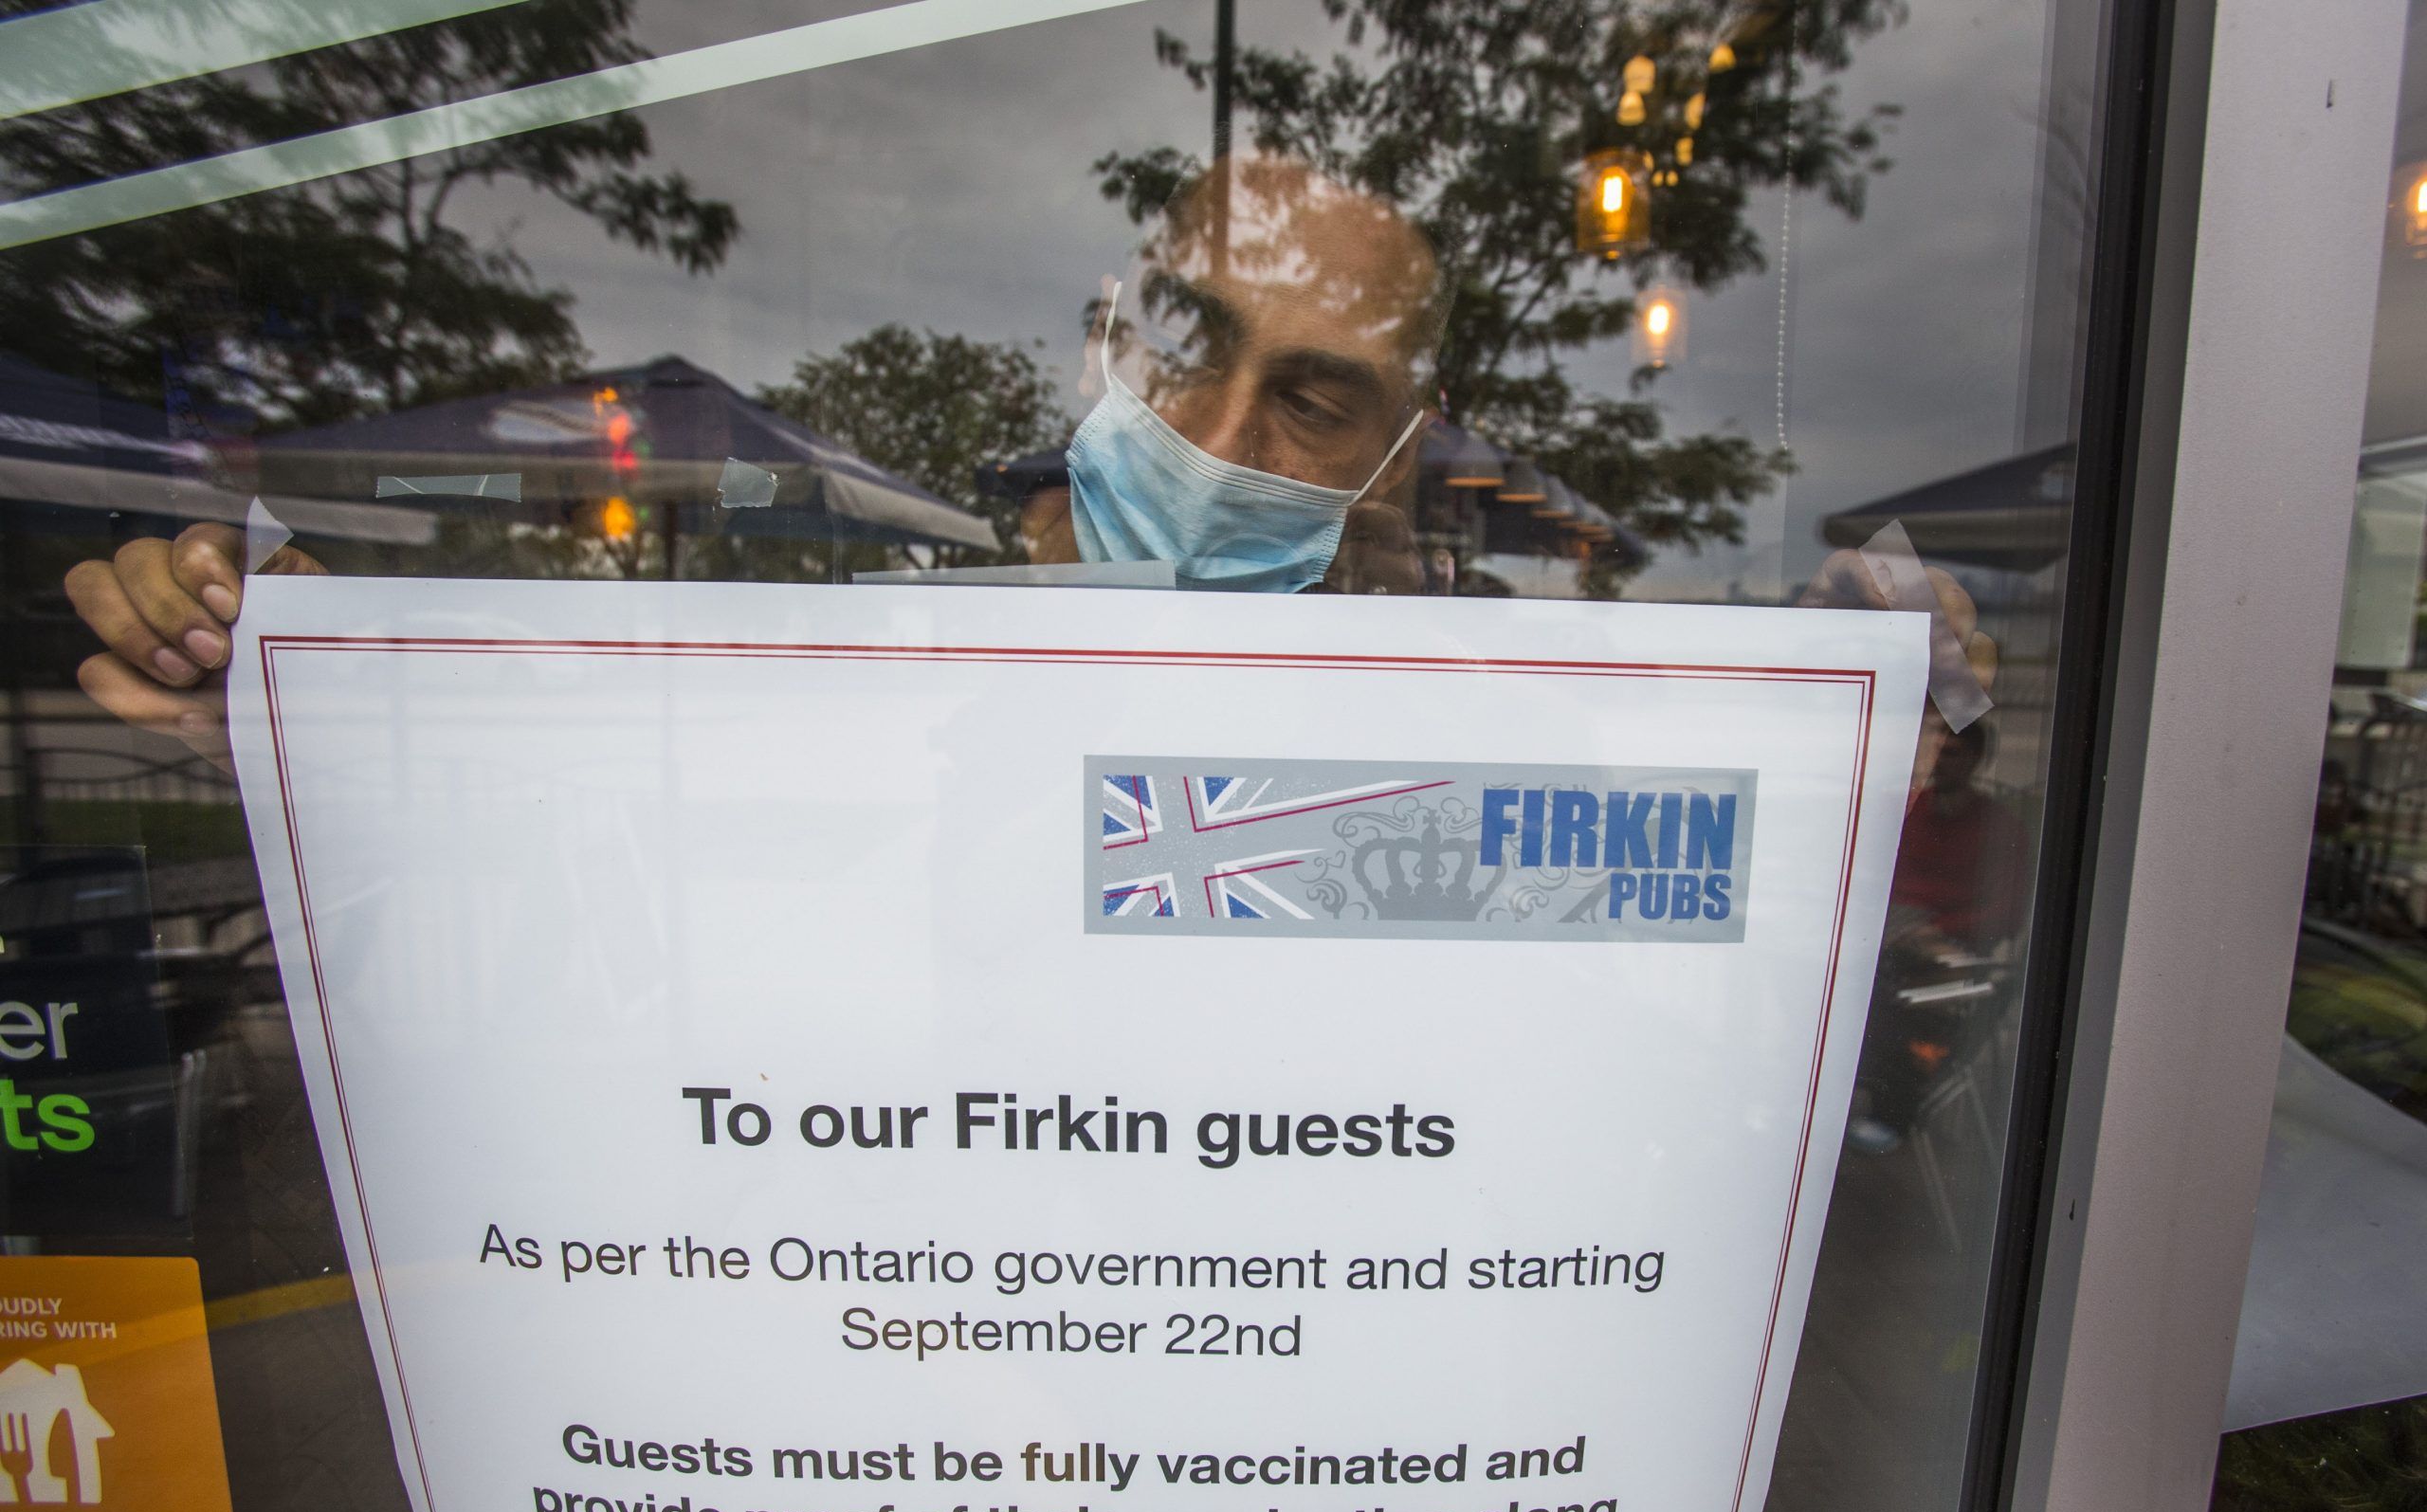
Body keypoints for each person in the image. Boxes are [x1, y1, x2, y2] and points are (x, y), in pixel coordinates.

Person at [61, 148, 1993, 779]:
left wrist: (1881, 722)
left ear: (1397, 461)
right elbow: (621, 827)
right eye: (1185, 348)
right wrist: (320, 716)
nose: (1217, 439)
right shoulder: (858, 626)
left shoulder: (1464, 709)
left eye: (1311, 406)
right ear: (1104, 337)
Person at [1845, 719, 2031, 1156]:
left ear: (1974, 761)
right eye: (1934, 752)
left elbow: (2006, 913)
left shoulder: (1998, 827)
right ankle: (1845, 1096)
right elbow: (1871, 882)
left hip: (1954, 956)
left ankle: (1888, 1111)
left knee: (1880, 994)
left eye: (1951, 754)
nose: (1938, 763)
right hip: (1894, 940)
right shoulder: (1907, 814)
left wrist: (1937, 931)